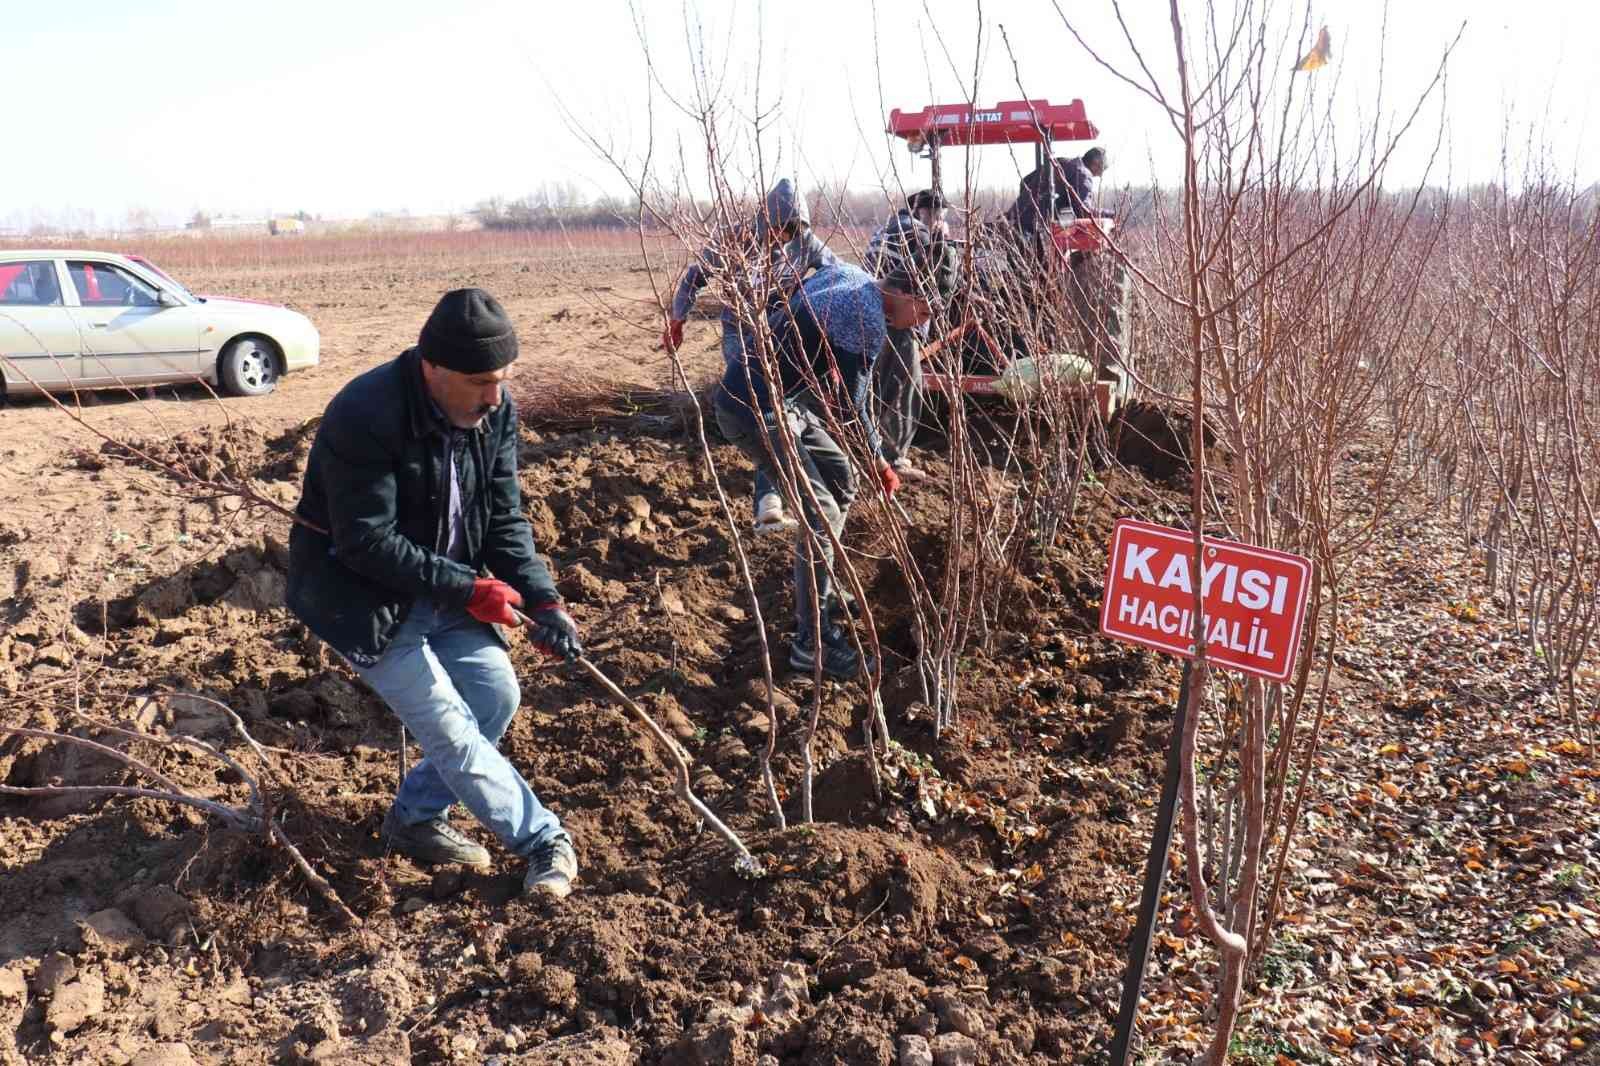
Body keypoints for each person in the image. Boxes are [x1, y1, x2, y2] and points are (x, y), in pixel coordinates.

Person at [286, 288, 585, 899]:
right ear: (432, 368)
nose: (494, 396)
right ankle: (543, 840)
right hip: (362, 600)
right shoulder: (365, 413)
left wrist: (544, 600)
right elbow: (366, 541)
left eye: (502, 379)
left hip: (444, 589)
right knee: (450, 730)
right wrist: (469, 589)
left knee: (495, 694)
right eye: (480, 381)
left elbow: (504, 516)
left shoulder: (494, 414)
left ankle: (415, 819)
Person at [713, 231, 935, 680]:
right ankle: (810, 644)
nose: (920, 324)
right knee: (822, 515)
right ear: (902, 295)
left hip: (787, 403)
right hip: (756, 411)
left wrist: (864, 459)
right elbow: (853, 406)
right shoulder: (867, 318)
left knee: (840, 476)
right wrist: (880, 460)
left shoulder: (853, 276)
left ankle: (824, 586)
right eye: (923, 312)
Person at [663, 179, 837, 534]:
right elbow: (695, 277)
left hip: (781, 333)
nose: (784, 236)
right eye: (779, 227)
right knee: (763, 408)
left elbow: (836, 272)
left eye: (791, 229)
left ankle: (781, 496)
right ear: (766, 219)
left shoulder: (804, 243)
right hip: (739, 330)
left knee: (778, 410)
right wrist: (678, 318)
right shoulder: (733, 238)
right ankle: (771, 502)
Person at [864, 190, 959, 481]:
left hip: (871, 315)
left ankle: (870, 451)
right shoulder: (920, 236)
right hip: (898, 322)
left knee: (877, 389)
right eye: (939, 217)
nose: (941, 222)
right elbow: (932, 280)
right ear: (926, 213)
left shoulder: (885, 230)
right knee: (906, 388)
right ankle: (894, 459)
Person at [1006, 146, 1113, 235]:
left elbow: (1025, 181)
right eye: (1102, 169)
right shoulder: (1084, 175)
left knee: (1067, 213)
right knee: (1074, 226)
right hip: (1033, 228)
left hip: (1017, 219)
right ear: (1095, 164)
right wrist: (1111, 215)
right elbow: (1083, 210)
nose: (1100, 175)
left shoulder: (1063, 162)